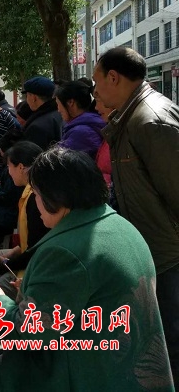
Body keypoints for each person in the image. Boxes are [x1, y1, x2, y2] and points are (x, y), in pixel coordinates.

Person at [0, 147, 173, 391]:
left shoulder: (65, 251)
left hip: (88, 371)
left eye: (37, 194)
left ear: (56, 197)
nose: (35, 202)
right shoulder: (120, 225)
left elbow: (30, 334)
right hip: (123, 364)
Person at [94, 46, 179, 384]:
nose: (95, 91)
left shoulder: (150, 120)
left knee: (171, 343)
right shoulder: (129, 118)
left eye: (97, 81)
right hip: (152, 249)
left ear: (113, 78)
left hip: (169, 254)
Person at [0, 141, 49, 316]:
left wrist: (8, 263)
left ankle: (13, 310)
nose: (8, 172)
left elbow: (37, 248)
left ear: (21, 167)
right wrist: (15, 251)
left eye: (9, 166)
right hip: (27, 254)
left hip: (32, 268)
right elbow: (33, 240)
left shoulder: (35, 198)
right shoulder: (31, 190)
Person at [54, 80, 105, 160]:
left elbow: (60, 162)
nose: (58, 110)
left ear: (70, 102)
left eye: (58, 104)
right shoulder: (89, 124)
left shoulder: (80, 133)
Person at [21, 76, 63, 150]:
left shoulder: (37, 127)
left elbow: (32, 154)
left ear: (34, 98)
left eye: (27, 96)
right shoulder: (59, 114)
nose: (27, 100)